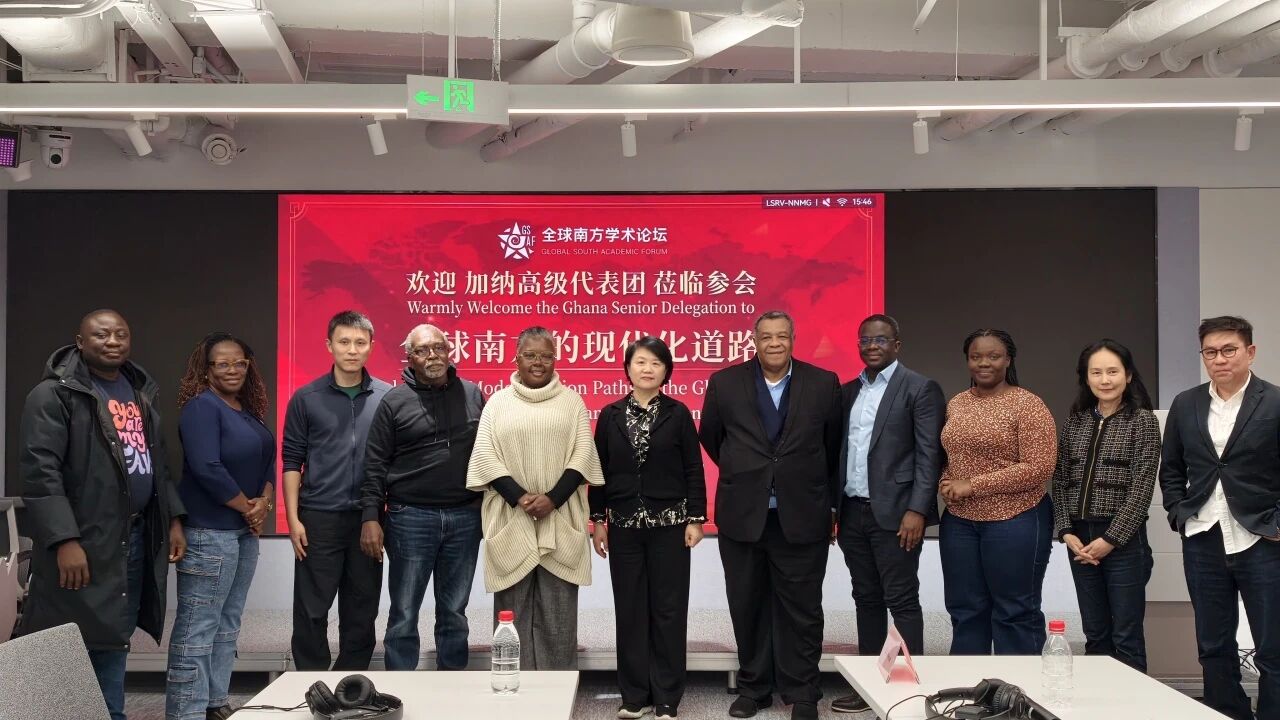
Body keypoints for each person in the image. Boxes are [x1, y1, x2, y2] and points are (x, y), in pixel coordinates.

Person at [18, 309, 186, 720]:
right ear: (80, 341)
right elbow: (41, 474)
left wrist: (173, 519)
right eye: (101, 335)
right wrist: (64, 539)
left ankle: (110, 712)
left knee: (113, 635)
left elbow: (156, 464)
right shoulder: (53, 395)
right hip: (83, 542)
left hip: (131, 539)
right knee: (70, 640)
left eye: (120, 334)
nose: (112, 341)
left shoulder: (138, 391)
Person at [699, 310, 842, 720]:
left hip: (803, 514)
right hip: (744, 514)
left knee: (802, 608)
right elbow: (713, 437)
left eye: (782, 336)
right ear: (754, 340)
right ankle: (754, 687)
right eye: (766, 336)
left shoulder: (822, 383)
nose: (774, 343)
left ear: (794, 338)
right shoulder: (725, 382)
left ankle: (802, 693)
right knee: (747, 604)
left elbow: (831, 447)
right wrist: (750, 470)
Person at [1161, 316, 1280, 720]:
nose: (1219, 359)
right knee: (1212, 644)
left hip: (1262, 537)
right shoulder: (1186, 403)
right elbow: (1172, 467)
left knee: (1273, 646)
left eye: (1229, 350)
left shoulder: (1275, 401)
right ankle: (1227, 713)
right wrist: (1179, 512)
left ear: (1250, 352)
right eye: (1210, 352)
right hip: (1203, 536)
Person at [466, 326, 604, 670]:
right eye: (530, 355)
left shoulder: (572, 402)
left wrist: (553, 499)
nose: (538, 362)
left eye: (546, 355)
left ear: (555, 359)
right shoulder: (497, 403)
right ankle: (513, 691)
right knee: (510, 619)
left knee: (557, 619)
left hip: (559, 520)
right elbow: (485, 456)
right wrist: (521, 498)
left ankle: (556, 695)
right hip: (512, 520)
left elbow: (583, 456)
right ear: (516, 358)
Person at [830, 315, 944, 715]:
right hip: (852, 512)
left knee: (902, 599)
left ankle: (911, 688)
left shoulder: (920, 388)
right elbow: (837, 455)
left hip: (898, 515)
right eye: (865, 340)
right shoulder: (847, 392)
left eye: (881, 339)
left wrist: (917, 510)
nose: (872, 345)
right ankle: (868, 686)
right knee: (866, 599)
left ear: (898, 343)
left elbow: (930, 455)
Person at [590, 336, 706, 720]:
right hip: (623, 526)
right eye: (640, 362)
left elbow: (693, 468)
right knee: (631, 609)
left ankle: (668, 697)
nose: (647, 369)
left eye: (655, 363)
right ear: (627, 368)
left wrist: (696, 519)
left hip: (670, 525)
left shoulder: (678, 414)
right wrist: (599, 522)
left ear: (666, 372)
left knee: (669, 610)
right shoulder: (609, 415)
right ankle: (634, 695)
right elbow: (599, 472)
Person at [358, 324, 485, 671]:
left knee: (454, 612)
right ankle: (400, 688)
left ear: (450, 351)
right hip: (410, 517)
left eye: (439, 348)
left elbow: (488, 455)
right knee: (403, 613)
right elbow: (374, 465)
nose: (433, 355)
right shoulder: (394, 402)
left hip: (464, 518)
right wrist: (372, 516)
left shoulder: (473, 394)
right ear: (409, 357)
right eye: (423, 350)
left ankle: (451, 687)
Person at [167, 333, 275, 720]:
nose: (232, 369)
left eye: (240, 362)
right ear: (206, 369)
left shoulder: (246, 410)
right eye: (222, 363)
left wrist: (263, 502)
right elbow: (206, 467)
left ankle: (215, 703)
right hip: (209, 532)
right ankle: (186, 712)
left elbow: (265, 462)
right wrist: (249, 508)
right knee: (198, 627)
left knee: (228, 624)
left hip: (243, 532)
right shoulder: (202, 408)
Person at [938, 329, 1057, 656]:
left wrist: (973, 485)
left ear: (1008, 360)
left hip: (1015, 519)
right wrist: (947, 483)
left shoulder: (1027, 404)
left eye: (993, 356)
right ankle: (967, 697)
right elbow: (952, 455)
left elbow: (1039, 467)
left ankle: (1022, 698)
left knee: (1014, 613)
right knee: (965, 612)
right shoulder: (958, 403)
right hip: (960, 523)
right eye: (976, 356)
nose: (984, 363)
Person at [284, 310, 391, 671]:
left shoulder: (387, 398)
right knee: (312, 608)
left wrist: (376, 514)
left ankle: (350, 683)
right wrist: (294, 520)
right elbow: (291, 463)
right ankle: (309, 681)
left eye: (360, 343)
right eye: (344, 342)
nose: (352, 350)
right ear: (329, 345)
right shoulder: (306, 398)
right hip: (319, 517)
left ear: (371, 347)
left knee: (362, 608)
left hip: (369, 519)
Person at [1050, 339, 1159, 673]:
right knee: (1095, 634)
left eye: (1113, 371)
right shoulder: (1075, 422)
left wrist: (1111, 539)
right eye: (1096, 372)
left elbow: (1142, 487)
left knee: (1127, 635)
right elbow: (1059, 479)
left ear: (1128, 376)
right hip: (1080, 540)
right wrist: (1066, 532)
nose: (1105, 379)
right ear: (1086, 378)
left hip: (1123, 542)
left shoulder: (1142, 421)